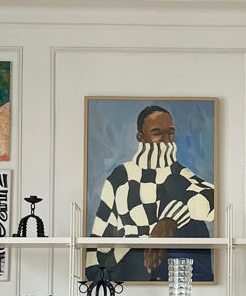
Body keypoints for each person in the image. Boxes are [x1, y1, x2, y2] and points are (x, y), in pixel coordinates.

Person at [87, 104, 215, 282]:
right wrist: (94, 277)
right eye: (157, 132)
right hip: (126, 268)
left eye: (170, 133)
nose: (165, 139)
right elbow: (100, 234)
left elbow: (213, 197)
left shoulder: (179, 174)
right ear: (141, 137)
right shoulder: (121, 176)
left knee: (194, 223)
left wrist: (170, 220)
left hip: (173, 267)